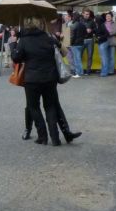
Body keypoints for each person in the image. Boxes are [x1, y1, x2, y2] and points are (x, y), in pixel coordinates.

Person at [12, 17, 81, 146]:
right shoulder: (49, 38)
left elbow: (16, 58)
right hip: (50, 78)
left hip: (32, 79)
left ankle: (42, 136)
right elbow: (63, 52)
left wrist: (14, 44)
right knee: (50, 107)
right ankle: (55, 138)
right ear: (40, 25)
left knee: (33, 107)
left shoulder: (24, 41)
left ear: (26, 26)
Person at [69, 12, 86, 78]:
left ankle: (78, 73)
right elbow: (85, 34)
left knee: (77, 59)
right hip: (81, 43)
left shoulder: (74, 25)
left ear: (74, 17)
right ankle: (80, 72)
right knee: (78, 58)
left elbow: (72, 36)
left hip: (75, 44)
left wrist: (71, 43)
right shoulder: (83, 25)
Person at [80, 9, 96, 75]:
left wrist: (91, 30)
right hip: (82, 40)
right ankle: (79, 70)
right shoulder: (80, 21)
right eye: (86, 14)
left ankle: (88, 71)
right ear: (83, 14)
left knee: (90, 56)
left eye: (88, 14)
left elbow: (95, 30)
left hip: (90, 40)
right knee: (79, 55)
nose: (87, 15)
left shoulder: (92, 21)